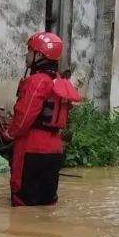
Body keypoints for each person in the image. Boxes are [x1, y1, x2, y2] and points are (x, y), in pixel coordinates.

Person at [6, 31, 80, 206]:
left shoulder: (37, 81)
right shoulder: (59, 82)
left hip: (32, 146)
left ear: (39, 55)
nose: (27, 54)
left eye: (29, 51)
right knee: (46, 202)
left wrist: (9, 134)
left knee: (23, 199)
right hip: (55, 149)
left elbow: (24, 118)